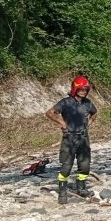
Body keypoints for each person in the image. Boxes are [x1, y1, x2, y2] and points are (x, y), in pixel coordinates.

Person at [45, 76, 97, 204]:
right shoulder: (66, 102)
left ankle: (81, 187)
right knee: (66, 165)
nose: (83, 92)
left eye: (85, 90)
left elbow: (94, 113)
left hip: (83, 137)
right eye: (81, 89)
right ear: (75, 89)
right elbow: (50, 113)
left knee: (85, 164)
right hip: (70, 138)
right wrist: (62, 123)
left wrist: (89, 123)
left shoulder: (87, 103)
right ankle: (62, 191)